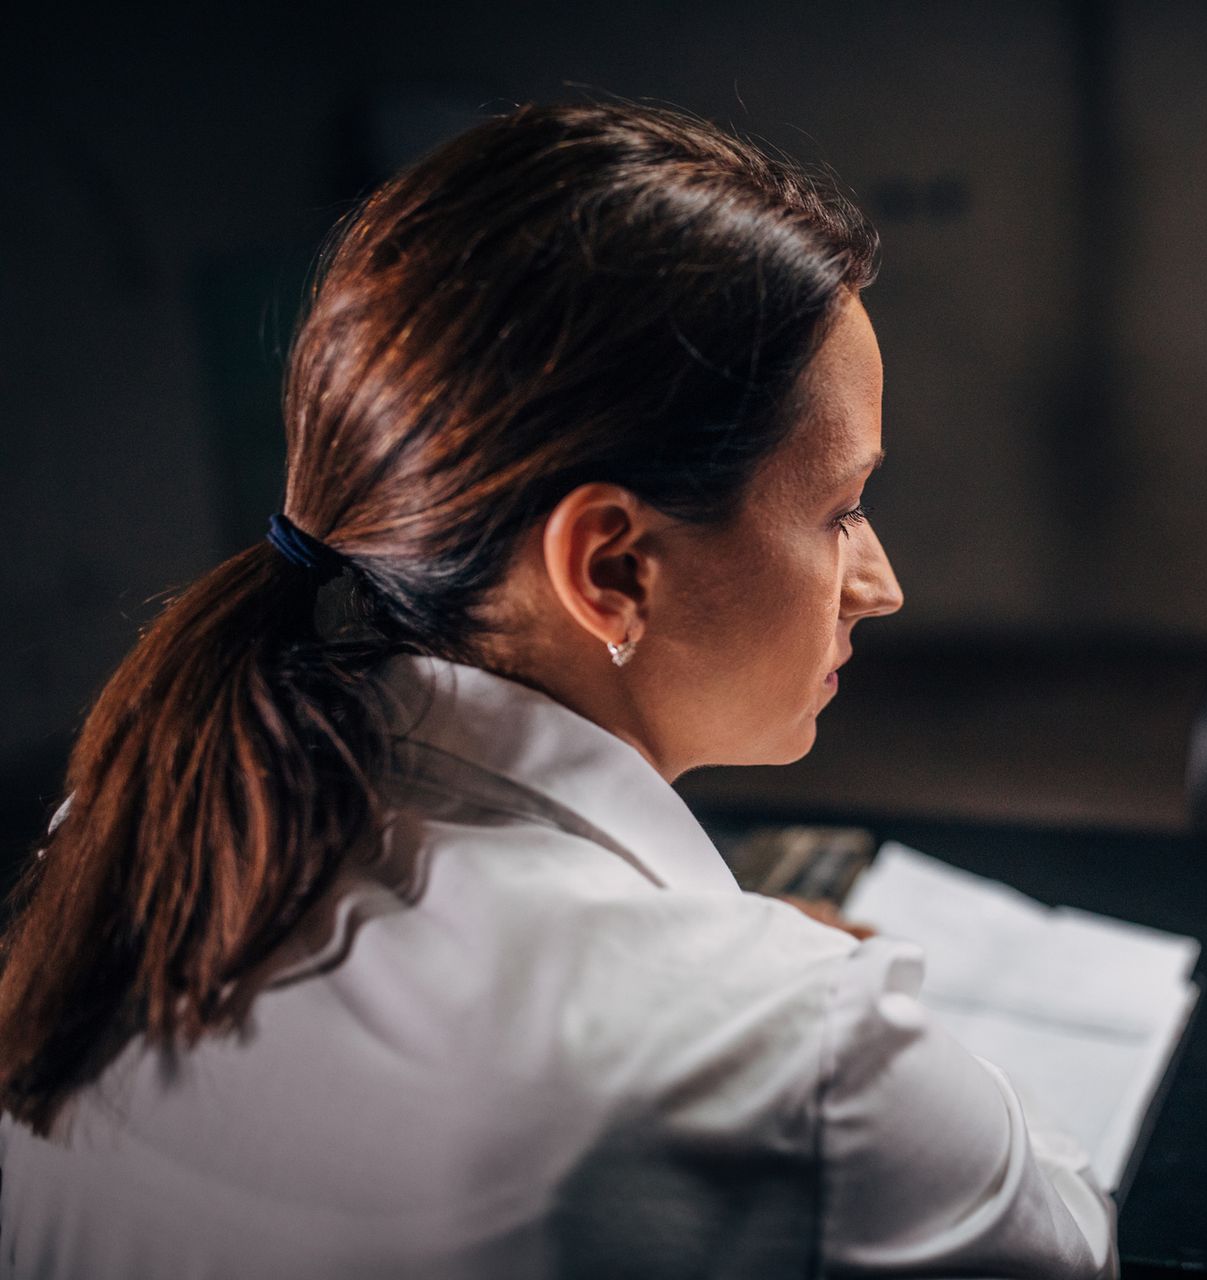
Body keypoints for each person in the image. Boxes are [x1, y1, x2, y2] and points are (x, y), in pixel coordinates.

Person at [0, 103, 1115, 1279]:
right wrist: (847, 1022)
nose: (878, 584)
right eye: (839, 511)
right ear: (612, 566)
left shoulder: (136, 842)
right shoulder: (790, 1056)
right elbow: (1068, 1235)